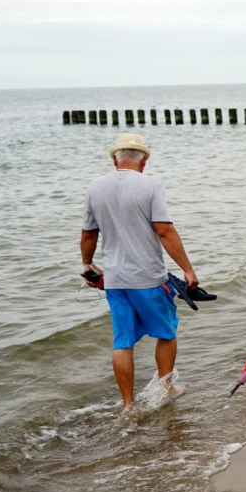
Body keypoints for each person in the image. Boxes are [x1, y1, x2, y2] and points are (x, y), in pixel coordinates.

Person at [80, 134, 198, 411]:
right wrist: (187, 269)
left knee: (122, 342)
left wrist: (87, 265)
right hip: (148, 278)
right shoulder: (151, 185)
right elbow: (164, 230)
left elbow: (88, 233)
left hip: (114, 280)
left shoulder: (95, 187)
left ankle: (128, 404)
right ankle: (166, 389)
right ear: (144, 160)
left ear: (114, 159)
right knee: (166, 333)